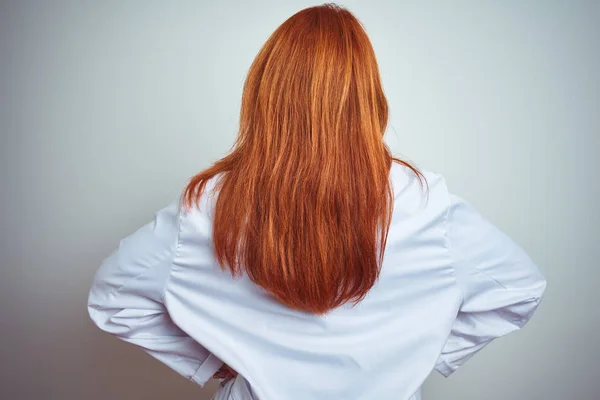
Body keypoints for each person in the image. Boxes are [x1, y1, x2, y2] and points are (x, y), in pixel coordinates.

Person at [87, 4, 546, 400]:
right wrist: (416, 355)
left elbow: (113, 297)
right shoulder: (423, 203)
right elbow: (517, 288)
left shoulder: (208, 204)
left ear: (264, 95)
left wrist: (207, 362)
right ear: (367, 97)